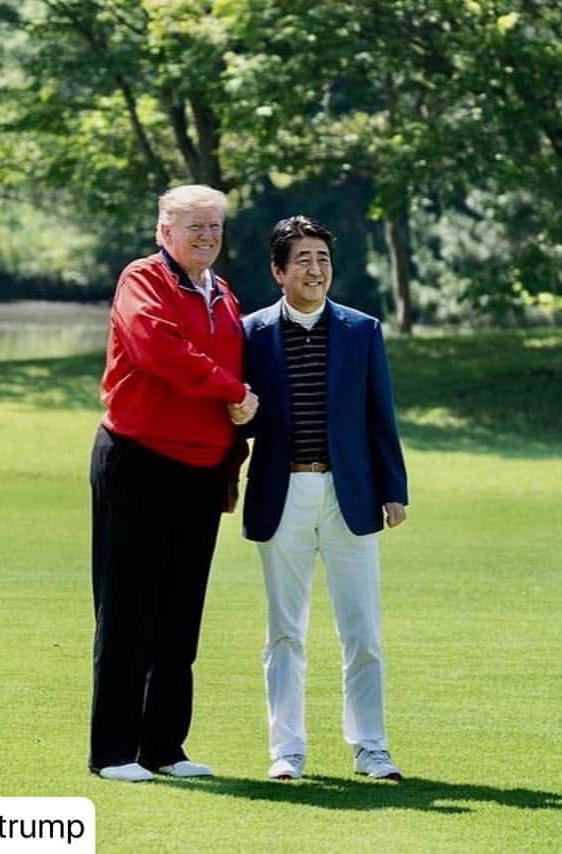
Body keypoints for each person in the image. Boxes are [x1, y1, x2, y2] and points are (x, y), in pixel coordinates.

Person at [88, 184, 258, 782]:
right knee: (128, 606)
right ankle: (113, 751)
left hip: (200, 470)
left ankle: (163, 747)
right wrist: (233, 392)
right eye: (194, 227)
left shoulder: (226, 295)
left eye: (214, 226)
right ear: (165, 231)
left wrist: (231, 463)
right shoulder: (144, 279)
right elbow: (161, 349)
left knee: (180, 614)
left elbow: (235, 379)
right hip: (138, 459)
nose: (207, 236)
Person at [237, 215, 408, 782]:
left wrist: (394, 490)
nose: (316, 269)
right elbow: (236, 420)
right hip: (281, 492)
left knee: (362, 630)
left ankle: (371, 748)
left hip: (349, 494)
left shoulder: (362, 330)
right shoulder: (251, 333)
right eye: (303, 260)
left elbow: (379, 417)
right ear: (278, 271)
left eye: (323, 259)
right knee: (284, 631)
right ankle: (286, 751)